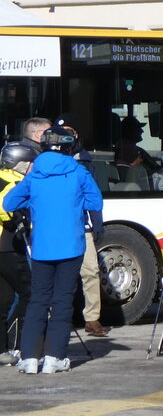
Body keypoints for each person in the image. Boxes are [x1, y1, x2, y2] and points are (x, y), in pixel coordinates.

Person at [2, 125, 103, 374]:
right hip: (71, 245)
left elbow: (9, 202)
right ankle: (54, 358)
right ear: (69, 147)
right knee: (62, 301)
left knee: (38, 299)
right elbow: (95, 202)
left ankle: (28, 358)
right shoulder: (78, 172)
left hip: (42, 247)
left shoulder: (34, 173)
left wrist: (32, 204)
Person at [53, 113, 108, 336]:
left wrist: (97, 224)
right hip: (56, 225)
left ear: (76, 134)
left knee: (91, 271)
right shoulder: (46, 159)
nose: (65, 136)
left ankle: (92, 318)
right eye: (60, 132)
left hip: (80, 225)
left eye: (69, 131)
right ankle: (55, 318)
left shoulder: (84, 160)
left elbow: (92, 195)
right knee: (55, 273)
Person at [0, 141, 38, 366]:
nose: (33, 167)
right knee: (31, 294)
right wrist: (16, 217)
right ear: (21, 164)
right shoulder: (14, 182)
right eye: (31, 163)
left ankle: (2, 350)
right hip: (8, 245)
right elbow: (5, 207)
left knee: (3, 300)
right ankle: (18, 344)